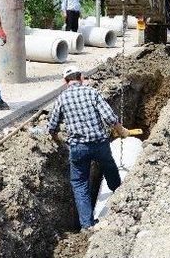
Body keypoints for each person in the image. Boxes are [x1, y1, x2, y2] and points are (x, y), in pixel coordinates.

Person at [48, 66, 130, 229]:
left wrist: (56, 138)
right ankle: (121, 202)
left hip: (78, 148)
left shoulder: (62, 98)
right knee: (110, 169)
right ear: (81, 77)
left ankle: (87, 225)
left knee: (79, 184)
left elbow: (52, 126)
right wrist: (122, 131)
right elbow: (109, 117)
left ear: (65, 82)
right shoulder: (92, 92)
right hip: (100, 143)